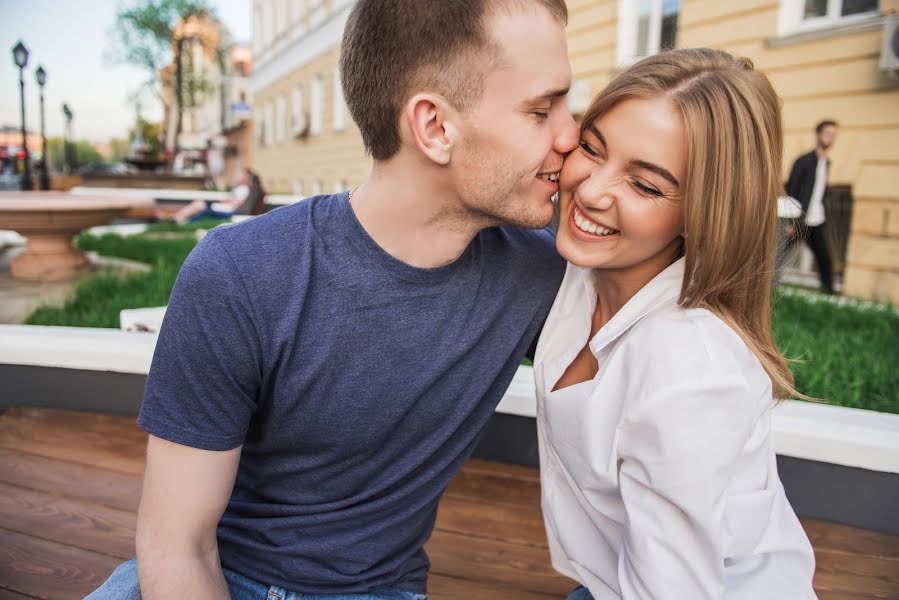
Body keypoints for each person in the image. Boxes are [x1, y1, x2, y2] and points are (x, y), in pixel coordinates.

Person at [87, 1, 577, 598]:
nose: (571, 134)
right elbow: (177, 546)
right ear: (435, 128)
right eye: (541, 110)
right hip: (214, 576)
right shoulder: (240, 275)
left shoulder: (540, 269)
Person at [534, 48, 817, 600]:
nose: (590, 192)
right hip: (609, 576)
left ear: (705, 211)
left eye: (646, 185)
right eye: (593, 149)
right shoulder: (584, 272)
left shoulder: (690, 366)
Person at [781, 120, 838, 293]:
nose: (830, 138)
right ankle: (759, 284)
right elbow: (792, 190)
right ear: (818, 135)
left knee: (824, 258)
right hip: (799, 219)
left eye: (834, 135)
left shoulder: (826, 163)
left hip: (816, 219)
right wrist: (791, 221)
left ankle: (828, 293)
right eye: (828, 133)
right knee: (777, 252)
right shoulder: (803, 162)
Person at [161, 168, 266, 224]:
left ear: (248, 178)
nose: (241, 176)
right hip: (227, 208)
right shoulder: (244, 188)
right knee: (200, 205)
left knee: (203, 208)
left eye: (244, 175)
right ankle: (178, 219)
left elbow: (237, 203)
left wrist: (227, 201)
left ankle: (184, 221)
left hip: (230, 210)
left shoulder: (246, 189)